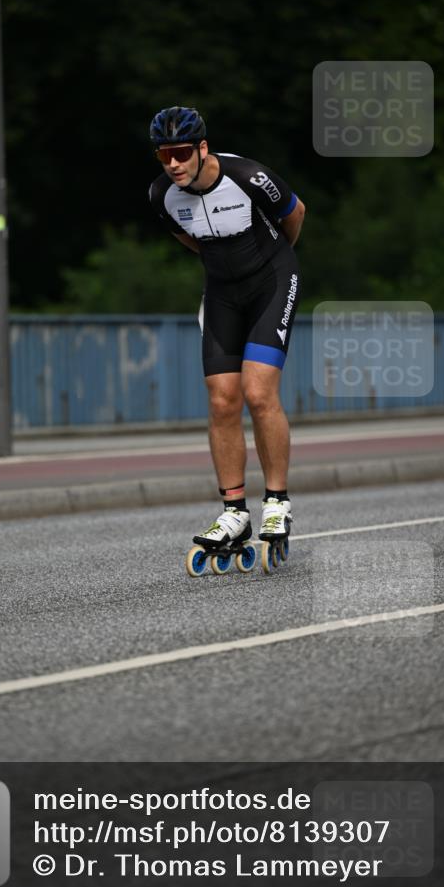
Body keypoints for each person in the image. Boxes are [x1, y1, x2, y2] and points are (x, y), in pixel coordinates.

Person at [148, 105, 305, 554]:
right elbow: (188, 239)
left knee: (258, 392)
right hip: (221, 293)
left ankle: (276, 501)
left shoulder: (249, 176)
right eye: (163, 155)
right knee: (221, 400)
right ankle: (234, 512)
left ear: (202, 148)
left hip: (272, 281)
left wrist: (274, 262)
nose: (173, 163)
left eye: (181, 152)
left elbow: (295, 214)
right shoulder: (161, 195)